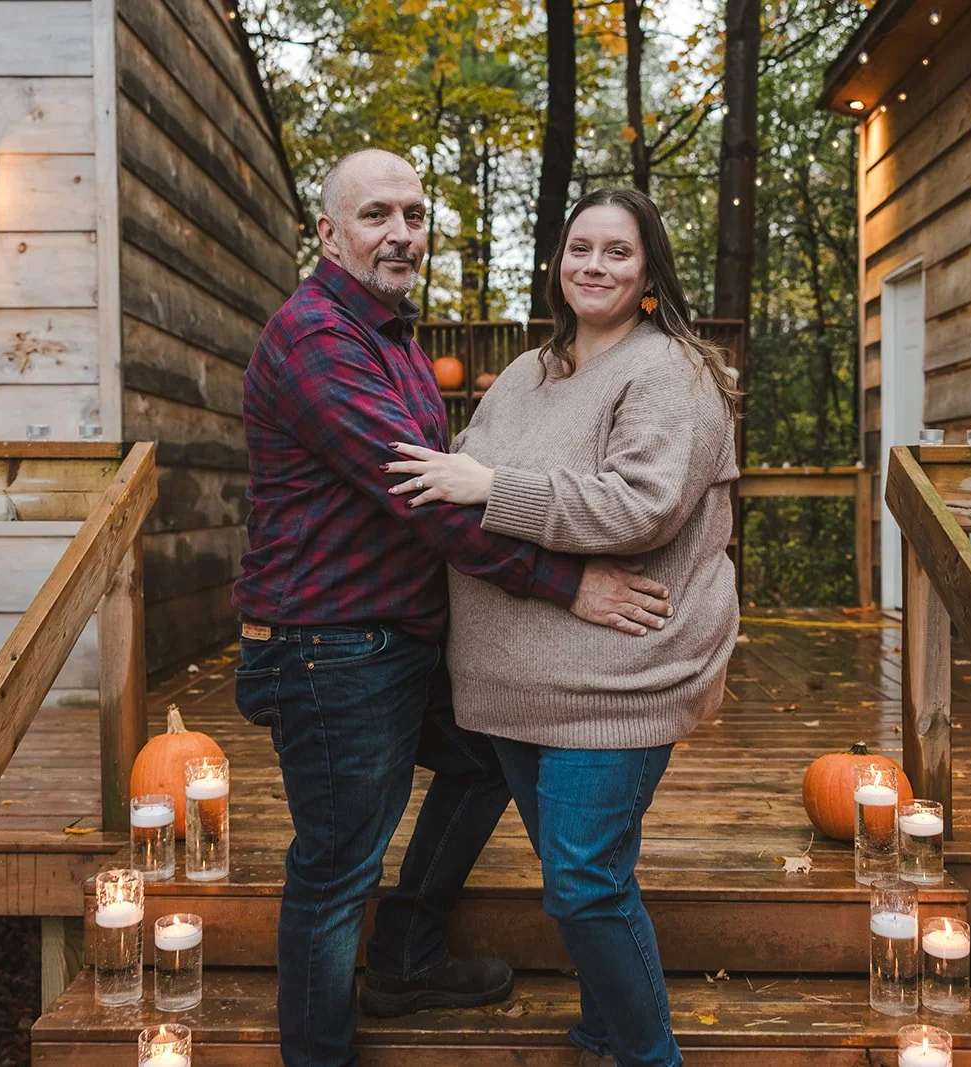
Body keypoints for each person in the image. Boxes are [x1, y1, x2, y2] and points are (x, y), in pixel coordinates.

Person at [233, 151, 679, 1067]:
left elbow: (468, 472)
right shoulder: (320, 339)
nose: (400, 233)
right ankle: (319, 1051)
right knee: (336, 867)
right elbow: (426, 500)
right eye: (374, 216)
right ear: (328, 233)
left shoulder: (391, 334)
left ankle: (404, 955)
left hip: (397, 636)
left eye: (413, 214)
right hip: (328, 647)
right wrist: (572, 585)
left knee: (485, 753)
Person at [386, 186, 741, 1067]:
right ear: (557, 264)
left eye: (618, 252)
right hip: (512, 684)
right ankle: (607, 1029)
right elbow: (446, 480)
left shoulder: (670, 373)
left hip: (614, 678)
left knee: (584, 882)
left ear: (650, 271)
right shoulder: (526, 374)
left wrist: (491, 487)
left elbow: (640, 506)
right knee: (578, 879)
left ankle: (648, 1053)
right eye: (580, 248)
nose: (594, 265)